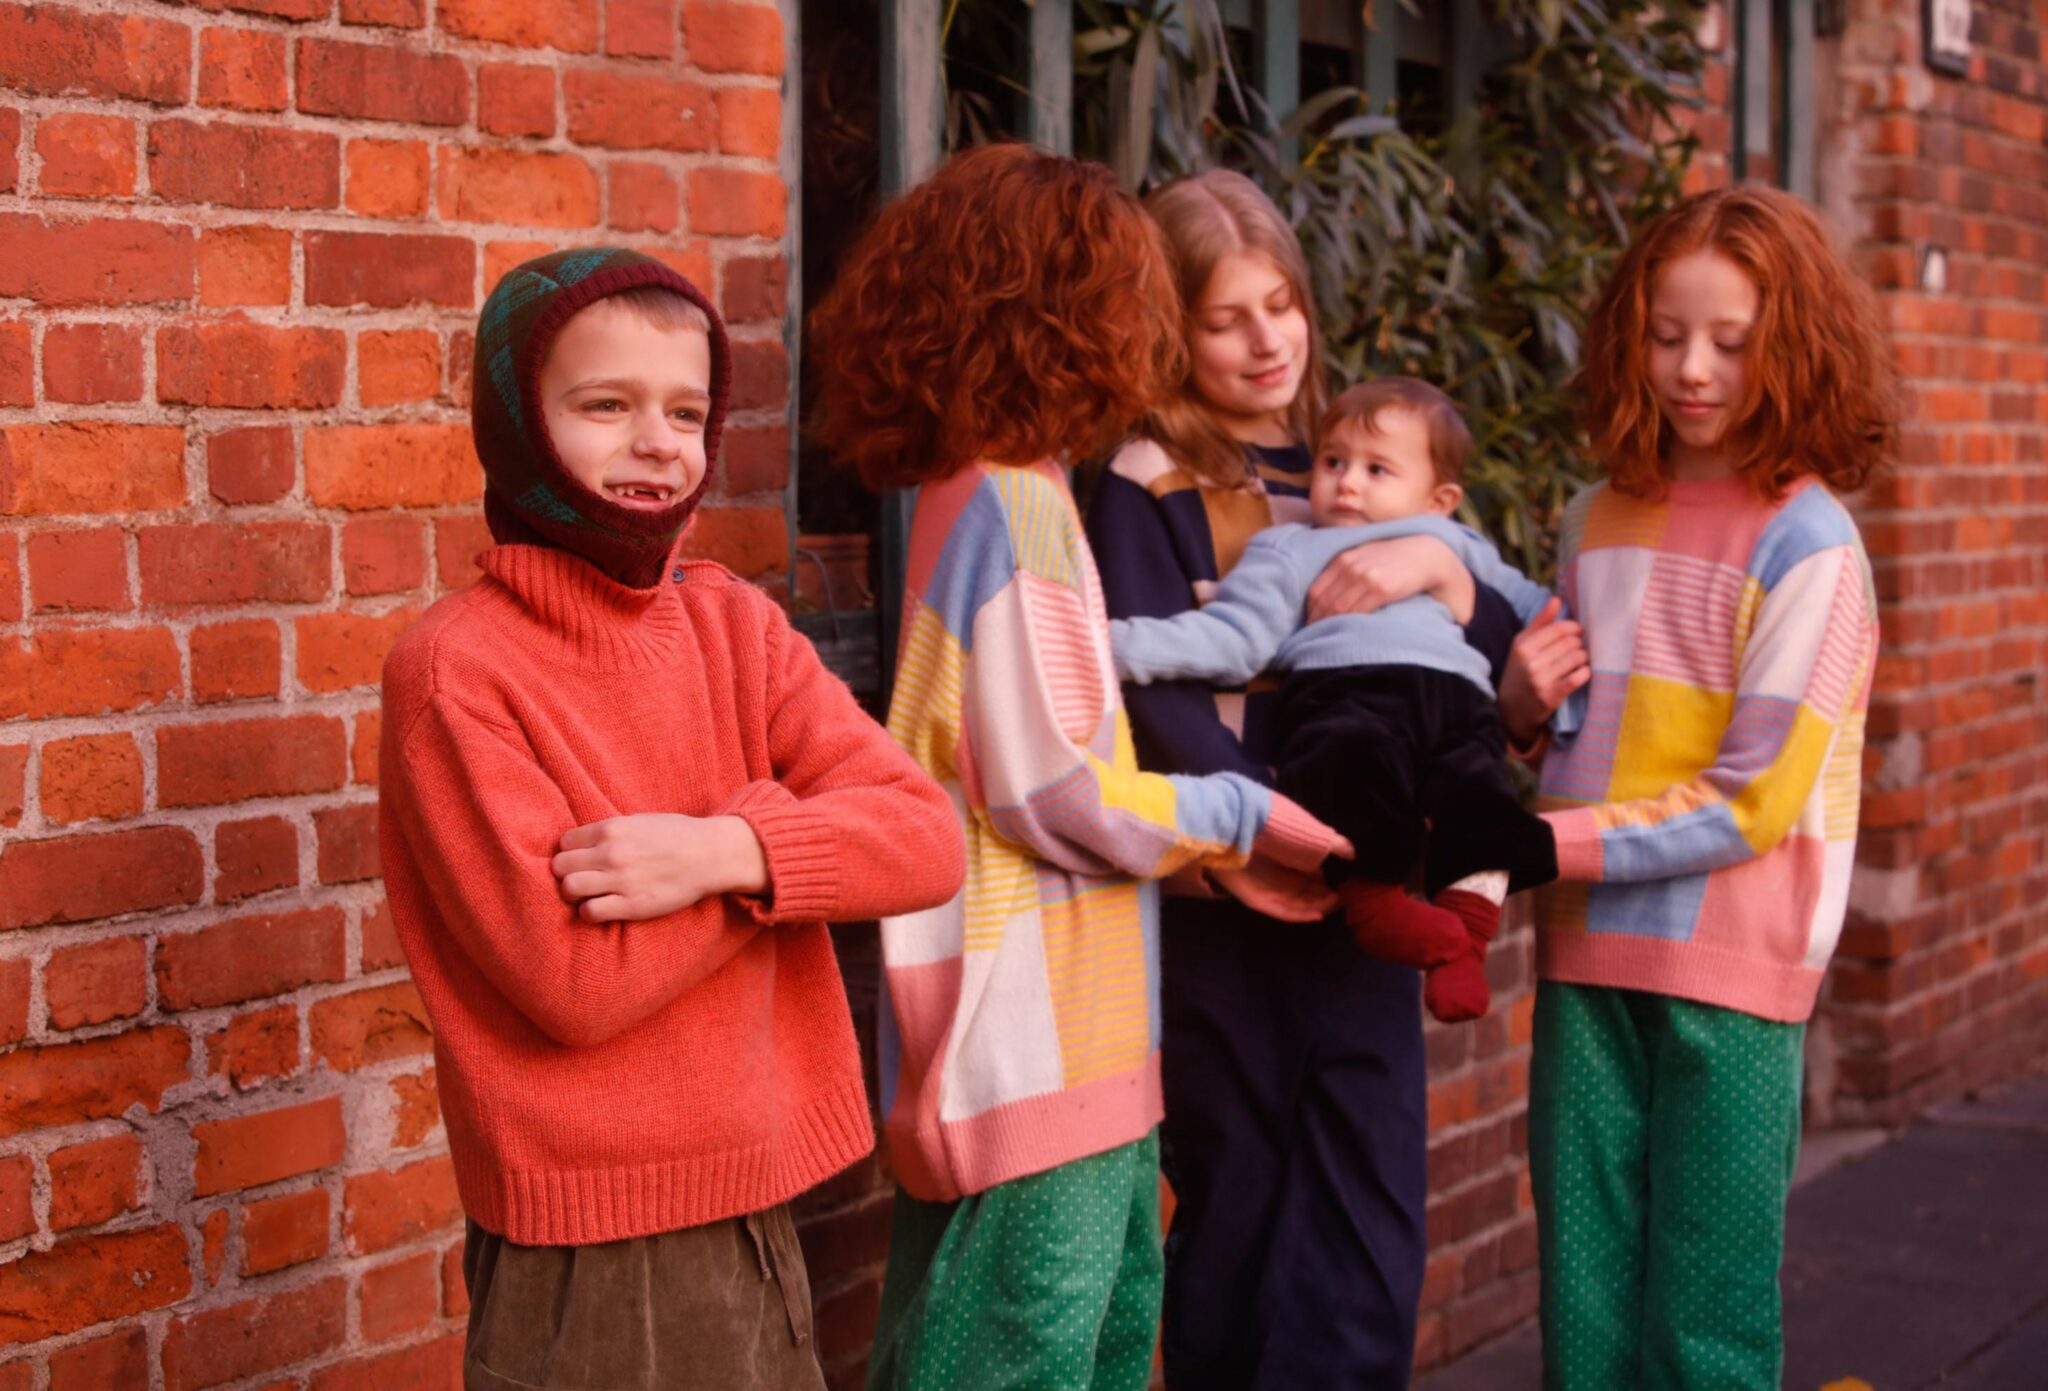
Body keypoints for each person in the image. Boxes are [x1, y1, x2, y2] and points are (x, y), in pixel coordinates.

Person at [807, 145, 1351, 1391]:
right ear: (1055, 318)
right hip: (1038, 1052)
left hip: (1054, 1035)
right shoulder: (1013, 507)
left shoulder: (986, 493)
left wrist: (1214, 856)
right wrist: (1239, 811)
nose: (1142, 329)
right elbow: (1056, 791)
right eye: (1124, 297)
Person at [377, 248, 965, 1391]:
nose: (659, 440)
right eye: (607, 404)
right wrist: (786, 845)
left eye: (687, 412)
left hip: (756, 1197)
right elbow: (573, 979)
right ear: (516, 425)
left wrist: (729, 846)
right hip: (597, 1242)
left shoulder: (731, 625)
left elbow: (924, 837)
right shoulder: (457, 673)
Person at [1086, 168, 1586, 1390]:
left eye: (1281, 305)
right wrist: (1257, 830)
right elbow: (1141, 695)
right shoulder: (1144, 475)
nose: (1265, 339)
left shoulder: (1357, 464)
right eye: (1224, 317)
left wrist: (1485, 650)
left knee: (1370, 1202)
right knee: (1238, 1197)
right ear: (1168, 328)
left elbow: (1452, 672)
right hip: (1233, 892)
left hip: (1369, 884)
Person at [1529, 184, 1898, 1388]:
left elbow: (1753, 801)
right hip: (1583, 953)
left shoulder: (1810, 544)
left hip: (1734, 973)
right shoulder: (1590, 517)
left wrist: (1549, 846)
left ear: (1790, 345)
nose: (1692, 369)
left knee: (1707, 1317)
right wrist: (1514, 705)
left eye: (1731, 343)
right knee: (1580, 1306)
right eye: (1665, 333)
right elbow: (1553, 738)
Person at [1108, 376, 1561, 1024]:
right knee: (1349, 775)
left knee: (1481, 804)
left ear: (1441, 499)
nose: (1347, 482)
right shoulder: (1289, 546)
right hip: (1351, 693)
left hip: (1459, 701)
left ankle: (1466, 947)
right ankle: (1376, 901)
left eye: (1377, 469)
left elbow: (1530, 611)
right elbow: (1235, 640)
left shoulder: (1457, 546)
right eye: (1333, 462)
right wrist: (1113, 643)